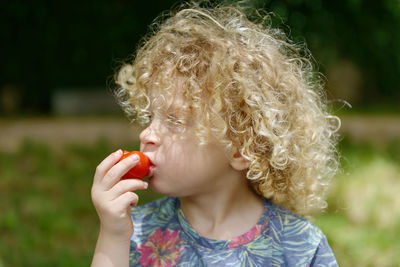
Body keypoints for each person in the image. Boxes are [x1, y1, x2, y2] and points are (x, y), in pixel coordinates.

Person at [91, 2, 340, 266]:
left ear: (241, 147)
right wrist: (112, 234)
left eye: (176, 120)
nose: (147, 135)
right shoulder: (135, 232)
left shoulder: (299, 245)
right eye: (151, 117)